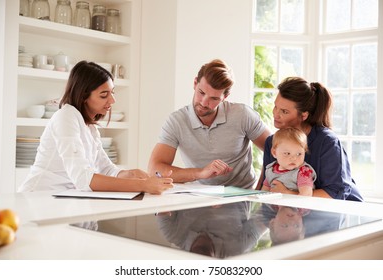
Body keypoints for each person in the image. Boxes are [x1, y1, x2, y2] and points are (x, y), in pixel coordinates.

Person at [19, 61, 173, 194]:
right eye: (104, 95)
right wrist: (143, 185)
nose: (112, 100)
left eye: (112, 93)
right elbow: (83, 178)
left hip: (63, 200)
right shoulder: (65, 117)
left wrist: (132, 174)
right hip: (39, 198)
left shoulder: (90, 128)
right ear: (83, 95)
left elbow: (107, 169)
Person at [148, 59, 271, 189]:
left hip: (242, 196)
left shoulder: (243, 115)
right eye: (201, 93)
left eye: (214, 98)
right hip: (199, 195)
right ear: (195, 83)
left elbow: (274, 149)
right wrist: (200, 173)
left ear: (225, 96)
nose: (204, 102)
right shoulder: (176, 121)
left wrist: (260, 189)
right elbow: (154, 169)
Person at [256, 77, 363, 201]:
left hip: (343, 211)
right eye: (275, 107)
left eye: (284, 111)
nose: (275, 114)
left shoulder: (327, 142)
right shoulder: (272, 142)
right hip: (296, 214)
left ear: (304, 115)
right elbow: (269, 184)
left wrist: (288, 194)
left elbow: (336, 193)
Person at [261, 127, 316, 196]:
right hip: (274, 205)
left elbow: (306, 195)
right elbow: (263, 192)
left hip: (295, 205)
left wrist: (286, 194)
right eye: (287, 153)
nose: (293, 158)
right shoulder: (270, 170)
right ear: (274, 153)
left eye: (299, 154)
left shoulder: (303, 172)